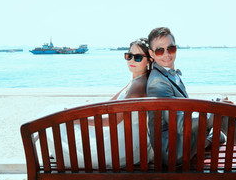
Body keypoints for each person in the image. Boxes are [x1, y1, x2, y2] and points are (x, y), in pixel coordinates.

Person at [146, 27, 236, 166]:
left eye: (171, 48)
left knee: (217, 104)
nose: (166, 54)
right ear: (151, 54)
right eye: (159, 50)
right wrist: (215, 110)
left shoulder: (165, 74)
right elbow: (180, 125)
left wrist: (214, 106)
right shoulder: (158, 83)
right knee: (220, 111)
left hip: (177, 142)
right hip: (173, 152)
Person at [45, 38, 154, 168]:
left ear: (149, 60)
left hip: (121, 146)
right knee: (57, 112)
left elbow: (113, 120)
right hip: (124, 138)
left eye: (138, 57)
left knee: (54, 118)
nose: (131, 60)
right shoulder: (136, 80)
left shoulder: (137, 86)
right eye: (129, 56)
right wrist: (79, 110)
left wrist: (78, 119)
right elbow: (108, 103)